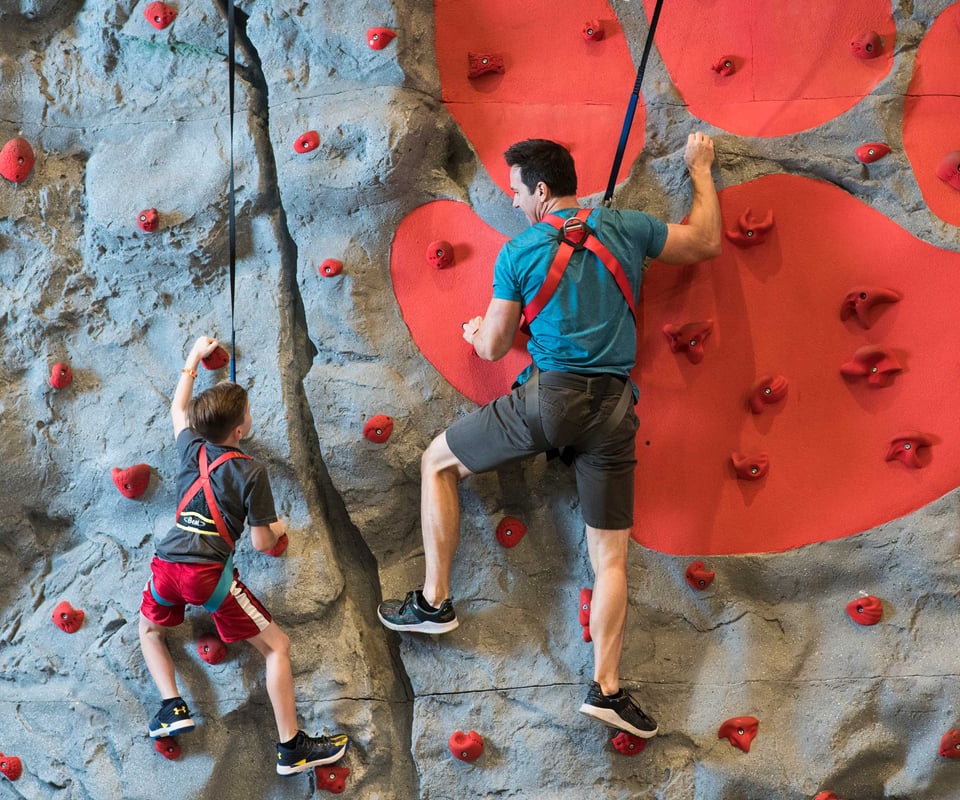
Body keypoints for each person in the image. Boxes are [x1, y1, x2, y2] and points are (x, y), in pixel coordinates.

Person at [378, 134, 722, 738]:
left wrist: (474, 331)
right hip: (615, 411)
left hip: (550, 402)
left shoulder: (522, 250)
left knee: (436, 462)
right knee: (610, 557)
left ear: (542, 189)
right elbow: (706, 241)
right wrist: (700, 171)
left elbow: (491, 347)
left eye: (515, 191)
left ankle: (434, 601)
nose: (512, 202)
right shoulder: (628, 227)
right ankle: (607, 688)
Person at [138, 336, 349, 774]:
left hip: (166, 566)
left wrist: (194, 357)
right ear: (239, 431)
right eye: (247, 414)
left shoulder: (191, 447)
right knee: (277, 648)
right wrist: (279, 527)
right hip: (208, 577)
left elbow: (178, 410)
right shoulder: (252, 471)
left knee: (151, 633)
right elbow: (260, 543)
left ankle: (173, 706)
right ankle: (292, 747)